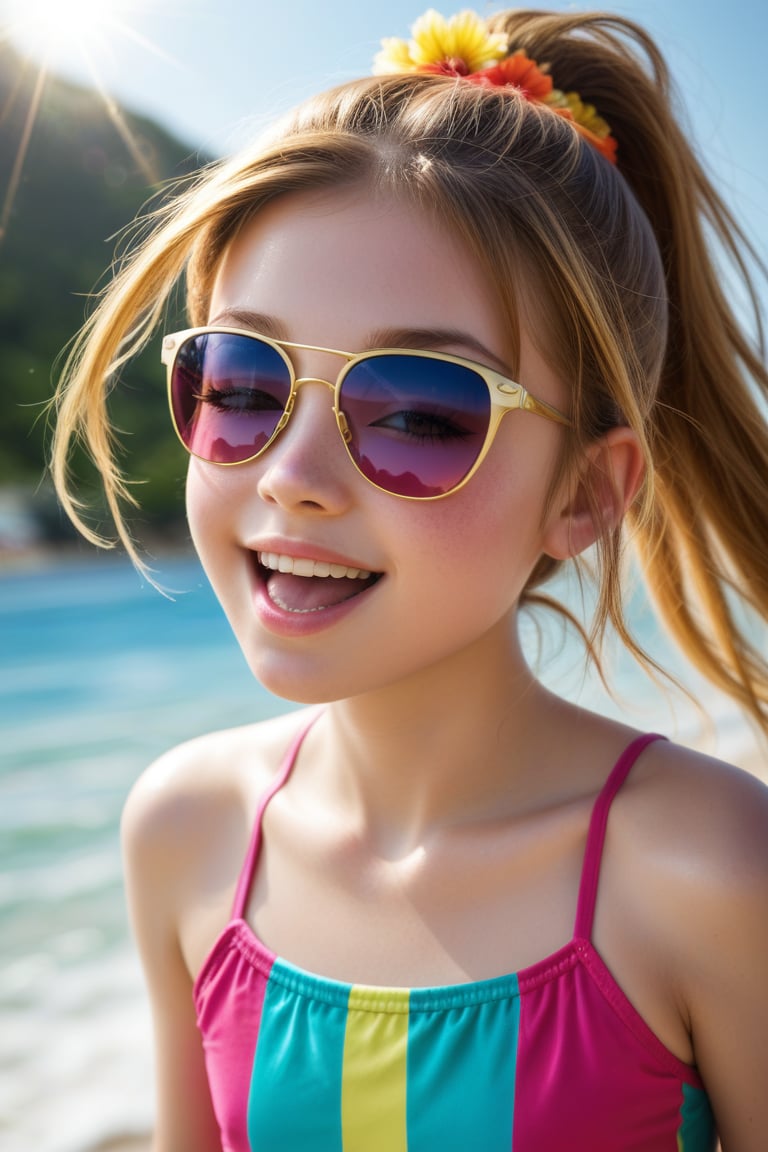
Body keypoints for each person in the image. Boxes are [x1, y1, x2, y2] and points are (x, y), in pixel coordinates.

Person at [50, 8, 768, 1150]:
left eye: (423, 411)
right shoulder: (185, 831)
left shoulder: (708, 868)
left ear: (586, 493)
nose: (294, 477)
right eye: (242, 382)